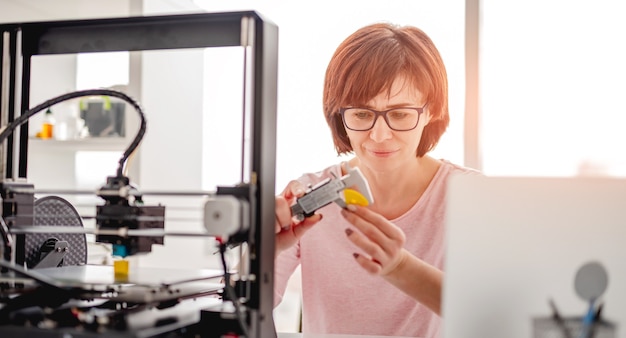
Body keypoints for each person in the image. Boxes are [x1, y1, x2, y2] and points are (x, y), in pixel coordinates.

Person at [274, 22, 478, 337]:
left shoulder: (472, 197)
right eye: (361, 114)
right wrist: (266, 249)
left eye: (399, 114)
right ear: (338, 116)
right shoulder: (308, 199)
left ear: (432, 110)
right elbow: (238, 309)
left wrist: (400, 268)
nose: (379, 135)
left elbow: (495, 314)